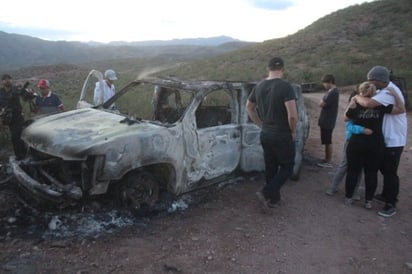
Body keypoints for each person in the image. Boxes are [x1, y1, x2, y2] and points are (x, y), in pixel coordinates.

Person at [354, 66, 407, 217]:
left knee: (390, 172)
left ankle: (391, 203)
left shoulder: (387, 93)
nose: (370, 83)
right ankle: (385, 194)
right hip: (389, 138)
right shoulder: (388, 90)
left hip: (393, 139)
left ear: (378, 80)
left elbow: (368, 104)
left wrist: (356, 97)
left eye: (371, 80)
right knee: (384, 168)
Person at [246, 57, 298, 211]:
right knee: (288, 167)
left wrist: (261, 124)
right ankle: (266, 192)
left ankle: (273, 200)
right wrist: (293, 130)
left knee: (271, 167)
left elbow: (249, 107)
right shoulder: (285, 86)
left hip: (266, 133)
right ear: (283, 68)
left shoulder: (259, 85)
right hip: (282, 134)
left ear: (267, 69)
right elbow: (293, 115)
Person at [325, 120, 373, 197]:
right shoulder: (355, 109)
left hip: (364, 143)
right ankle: (333, 187)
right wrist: (362, 130)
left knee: (359, 167)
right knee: (344, 165)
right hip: (351, 141)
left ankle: (354, 192)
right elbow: (349, 126)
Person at [0, 74, 34, 159]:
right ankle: (19, 155)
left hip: (17, 117)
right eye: (5, 79)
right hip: (7, 118)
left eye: (9, 78)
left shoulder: (16, 89)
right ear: (2, 81)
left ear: (11, 80)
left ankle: (22, 155)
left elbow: (27, 97)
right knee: (14, 137)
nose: (7, 80)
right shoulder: (1, 92)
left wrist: (29, 92)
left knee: (18, 136)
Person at [317, 74, 340, 168]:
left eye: (325, 83)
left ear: (330, 82)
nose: (324, 85)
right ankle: (326, 159)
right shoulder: (330, 91)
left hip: (328, 120)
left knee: (328, 141)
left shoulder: (333, 92)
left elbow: (322, 104)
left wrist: (322, 101)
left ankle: (328, 161)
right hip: (326, 119)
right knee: (326, 140)